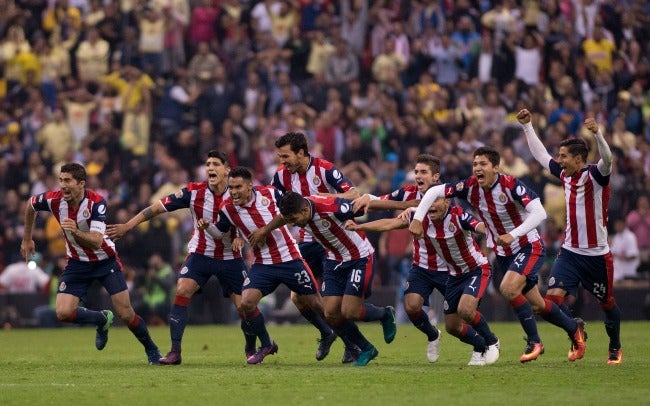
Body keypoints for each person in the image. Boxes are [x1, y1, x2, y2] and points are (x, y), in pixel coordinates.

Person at [409, 146, 586, 363]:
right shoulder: (470, 187)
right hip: (504, 252)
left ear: (495, 167)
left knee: (508, 288)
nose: (477, 169)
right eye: (475, 164)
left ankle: (534, 342)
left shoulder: (510, 185)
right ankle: (574, 329)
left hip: (527, 245)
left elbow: (540, 212)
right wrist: (418, 218)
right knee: (539, 305)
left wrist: (513, 234)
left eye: (483, 164)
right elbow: (435, 191)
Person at [107, 150, 267, 365]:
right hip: (200, 254)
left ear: (227, 170)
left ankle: (250, 346)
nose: (210, 167)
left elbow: (251, 217)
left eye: (216, 164)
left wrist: (241, 237)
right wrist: (128, 225)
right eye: (208, 163)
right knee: (182, 289)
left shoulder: (237, 192)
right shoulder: (193, 192)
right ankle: (175, 351)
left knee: (243, 306)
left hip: (230, 257)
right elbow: (156, 208)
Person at [20, 163, 161, 364]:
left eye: (67, 180)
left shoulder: (97, 203)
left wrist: (75, 231)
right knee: (63, 312)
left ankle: (152, 349)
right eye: (61, 180)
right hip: (77, 263)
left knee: (126, 314)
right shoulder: (54, 200)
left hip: (105, 261)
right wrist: (27, 238)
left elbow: (96, 240)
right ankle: (101, 319)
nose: (62, 185)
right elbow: (30, 205)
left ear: (81, 184)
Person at [518, 109, 623, 364]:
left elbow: (607, 159)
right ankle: (575, 330)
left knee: (607, 302)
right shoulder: (565, 175)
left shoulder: (596, 176)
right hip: (570, 253)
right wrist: (528, 126)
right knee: (549, 302)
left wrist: (598, 135)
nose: (559, 160)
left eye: (564, 156)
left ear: (579, 159)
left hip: (597, 255)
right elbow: (541, 155)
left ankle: (615, 346)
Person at [348, 196, 500, 366]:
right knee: (451, 326)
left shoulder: (459, 216)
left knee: (465, 310)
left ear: (447, 202)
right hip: (446, 272)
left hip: (474, 269)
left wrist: (502, 232)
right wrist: (359, 226)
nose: (431, 206)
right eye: (429, 202)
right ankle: (477, 345)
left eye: (436, 201)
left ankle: (492, 341)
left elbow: (480, 227)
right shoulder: (417, 216)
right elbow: (389, 224)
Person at [200, 167, 325, 364]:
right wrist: (208, 228)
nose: (233, 191)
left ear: (250, 186)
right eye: (231, 187)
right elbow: (221, 233)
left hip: (289, 258)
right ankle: (267, 344)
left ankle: (338, 337)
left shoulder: (271, 193)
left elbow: (290, 211)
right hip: (263, 263)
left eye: (238, 187)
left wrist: (264, 231)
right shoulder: (227, 208)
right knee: (246, 303)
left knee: (319, 305)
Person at [271, 191, 397, 366]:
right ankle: (366, 348)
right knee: (330, 313)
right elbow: (282, 219)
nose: (292, 224)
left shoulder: (331, 208)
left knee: (349, 312)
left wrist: (398, 205)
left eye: (293, 219)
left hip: (359, 257)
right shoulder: (298, 210)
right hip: (333, 260)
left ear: (305, 211)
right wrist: (264, 231)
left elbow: (363, 206)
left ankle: (384, 314)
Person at [271, 131, 361, 363]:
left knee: (329, 302)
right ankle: (327, 333)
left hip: (330, 241)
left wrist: (325, 197)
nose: (282, 162)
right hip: (305, 242)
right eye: (280, 157)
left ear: (301, 152)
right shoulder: (281, 176)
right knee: (298, 298)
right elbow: (275, 207)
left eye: (285, 156)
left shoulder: (325, 169)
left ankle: (352, 344)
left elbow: (354, 194)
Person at [351, 154, 448, 363]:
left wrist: (410, 208)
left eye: (423, 172)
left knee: (460, 320)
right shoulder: (408, 193)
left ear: (436, 177)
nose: (418, 176)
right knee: (411, 305)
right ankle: (433, 335)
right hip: (422, 264)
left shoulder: (445, 194)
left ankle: (486, 342)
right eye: (416, 172)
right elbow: (385, 201)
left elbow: (431, 209)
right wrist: (368, 198)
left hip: (450, 264)